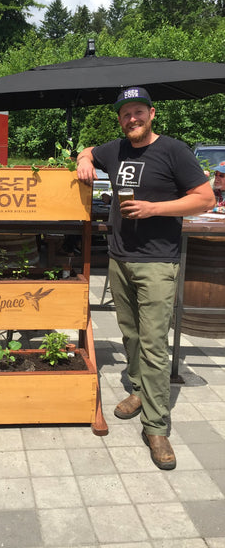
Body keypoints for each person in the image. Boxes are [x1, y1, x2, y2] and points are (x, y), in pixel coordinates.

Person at [77, 87, 215, 470]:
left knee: (154, 343)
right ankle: (138, 390)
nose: (131, 119)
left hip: (157, 262)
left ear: (151, 114)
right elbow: (89, 150)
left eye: (138, 112)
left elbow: (206, 199)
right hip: (120, 259)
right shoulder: (116, 149)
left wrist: (156, 208)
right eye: (125, 114)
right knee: (132, 336)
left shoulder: (173, 150)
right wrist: (83, 159)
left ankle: (156, 428)